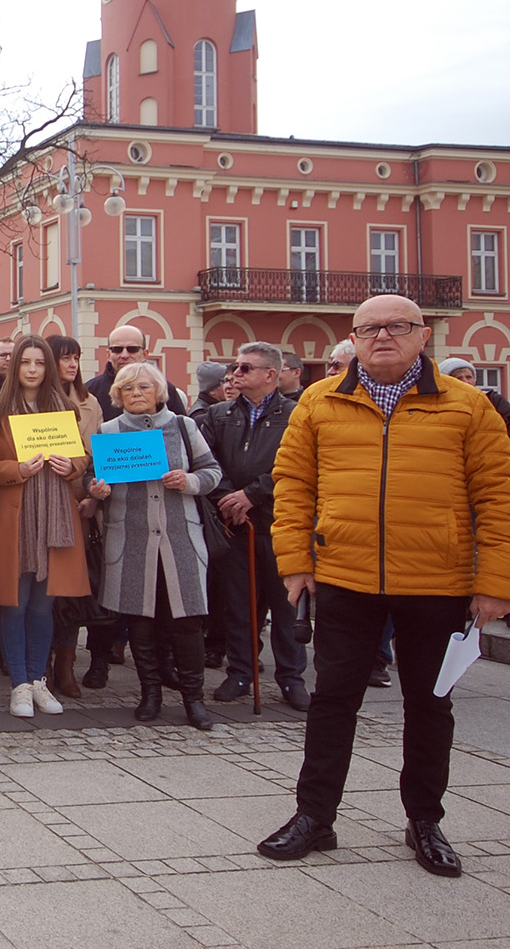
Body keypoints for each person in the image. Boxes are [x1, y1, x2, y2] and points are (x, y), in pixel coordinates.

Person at [259, 294, 510, 877]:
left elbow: (498, 499)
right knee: (332, 700)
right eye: (370, 329)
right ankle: (314, 817)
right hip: (345, 577)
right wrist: (296, 562)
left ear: (423, 336)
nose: (383, 337)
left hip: (438, 580)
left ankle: (424, 820)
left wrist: (494, 583)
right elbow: (293, 484)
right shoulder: (320, 402)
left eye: (398, 327)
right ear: (353, 338)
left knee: (429, 705)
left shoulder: (468, 406)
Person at [87, 361, 222, 731]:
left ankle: (194, 698)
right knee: (140, 622)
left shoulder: (183, 425)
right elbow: (93, 477)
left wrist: (189, 480)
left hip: (179, 538)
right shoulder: (109, 431)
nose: (137, 394)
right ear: (118, 395)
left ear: (159, 391)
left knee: (187, 622)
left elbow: (213, 472)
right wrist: (96, 489)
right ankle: (150, 695)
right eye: (128, 389)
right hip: (130, 539)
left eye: (144, 387)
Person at [196, 342, 309, 710]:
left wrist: (254, 494)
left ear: (270, 375)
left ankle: (291, 678)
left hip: (279, 523)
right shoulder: (219, 414)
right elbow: (208, 461)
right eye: (236, 367)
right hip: (235, 525)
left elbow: (298, 466)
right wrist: (229, 498)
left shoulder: (297, 415)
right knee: (239, 605)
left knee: (285, 605)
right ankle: (240, 672)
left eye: (245, 368)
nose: (236, 374)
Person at [0, 336, 92, 717]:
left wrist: (72, 466)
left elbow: (81, 454)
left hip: (55, 514)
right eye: (25, 362)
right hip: (15, 514)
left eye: (39, 363)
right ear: (15, 368)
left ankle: (38, 680)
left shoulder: (64, 408)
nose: (32, 369)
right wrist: (17, 469)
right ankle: (19, 685)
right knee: (15, 603)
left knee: (44, 606)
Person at [47, 334, 113, 694]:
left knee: (72, 588)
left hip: (81, 504)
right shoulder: (37, 402)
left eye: (76, 358)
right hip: (44, 502)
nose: (71, 365)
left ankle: (66, 664)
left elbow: (100, 454)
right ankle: (42, 662)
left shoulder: (90, 403)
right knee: (46, 588)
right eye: (64, 358)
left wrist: (93, 498)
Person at [85, 325, 187, 420]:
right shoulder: (89, 391)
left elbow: (181, 432)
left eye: (132, 349)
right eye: (117, 349)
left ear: (145, 354)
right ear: (108, 355)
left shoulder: (164, 389)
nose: (124, 355)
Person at [440, 357, 510, 431]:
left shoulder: (493, 400)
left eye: (469, 377)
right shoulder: (440, 406)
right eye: (459, 378)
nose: (466, 382)